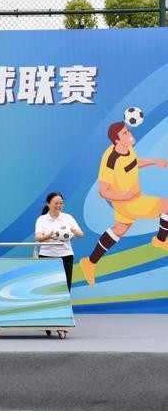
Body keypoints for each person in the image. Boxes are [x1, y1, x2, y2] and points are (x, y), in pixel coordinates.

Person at [80, 122, 168, 285]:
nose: (129, 134)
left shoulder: (128, 148)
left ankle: (90, 262)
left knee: (119, 230)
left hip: (131, 200)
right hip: (129, 203)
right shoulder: (110, 160)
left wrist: (154, 162)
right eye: (125, 133)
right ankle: (160, 240)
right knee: (167, 205)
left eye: (128, 131)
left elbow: (133, 163)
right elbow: (103, 191)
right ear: (117, 140)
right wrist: (124, 196)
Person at [35, 192, 84, 291]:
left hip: (66, 256)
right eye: (56, 203)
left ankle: (64, 302)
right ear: (48, 204)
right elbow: (38, 237)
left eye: (61, 203)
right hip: (47, 256)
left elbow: (81, 234)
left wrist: (74, 231)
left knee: (65, 286)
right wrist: (48, 236)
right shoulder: (42, 219)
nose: (59, 205)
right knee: (46, 287)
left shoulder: (68, 217)